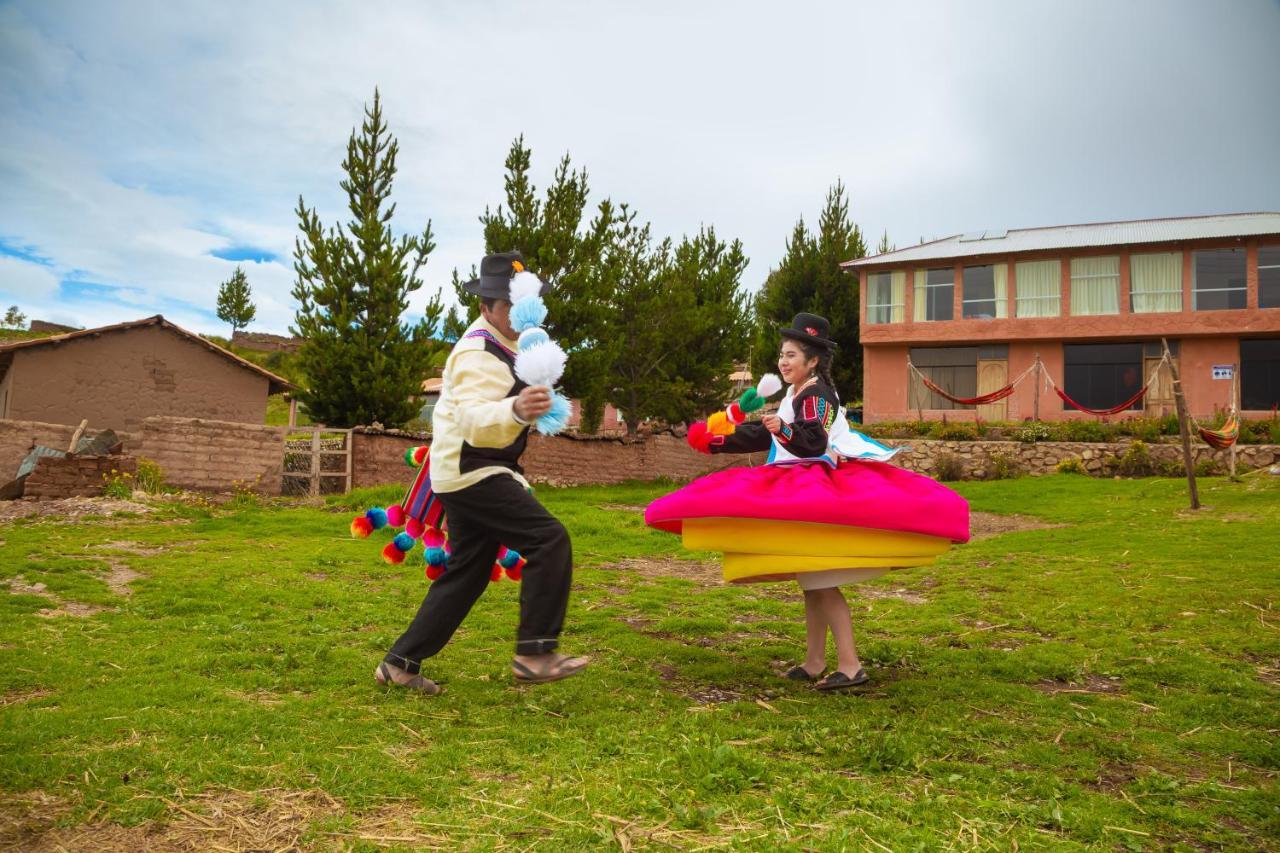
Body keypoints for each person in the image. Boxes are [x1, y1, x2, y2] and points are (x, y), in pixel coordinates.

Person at [375, 251, 589, 694]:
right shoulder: (477, 351)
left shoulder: (516, 346)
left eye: (520, 302)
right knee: (548, 538)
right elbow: (473, 418)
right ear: (485, 307)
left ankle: (399, 664)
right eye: (504, 304)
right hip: (473, 470)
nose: (513, 313)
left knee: (467, 573)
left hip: (478, 469)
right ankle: (535, 653)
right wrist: (515, 407)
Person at [662, 313, 910, 690]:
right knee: (811, 580)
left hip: (816, 493)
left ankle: (851, 664)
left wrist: (786, 428)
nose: (783, 361)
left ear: (812, 361)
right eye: (782, 354)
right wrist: (718, 441)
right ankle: (814, 661)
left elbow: (812, 440)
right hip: (799, 487)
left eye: (792, 355)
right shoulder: (795, 394)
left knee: (824, 581)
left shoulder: (818, 394)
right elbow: (766, 437)